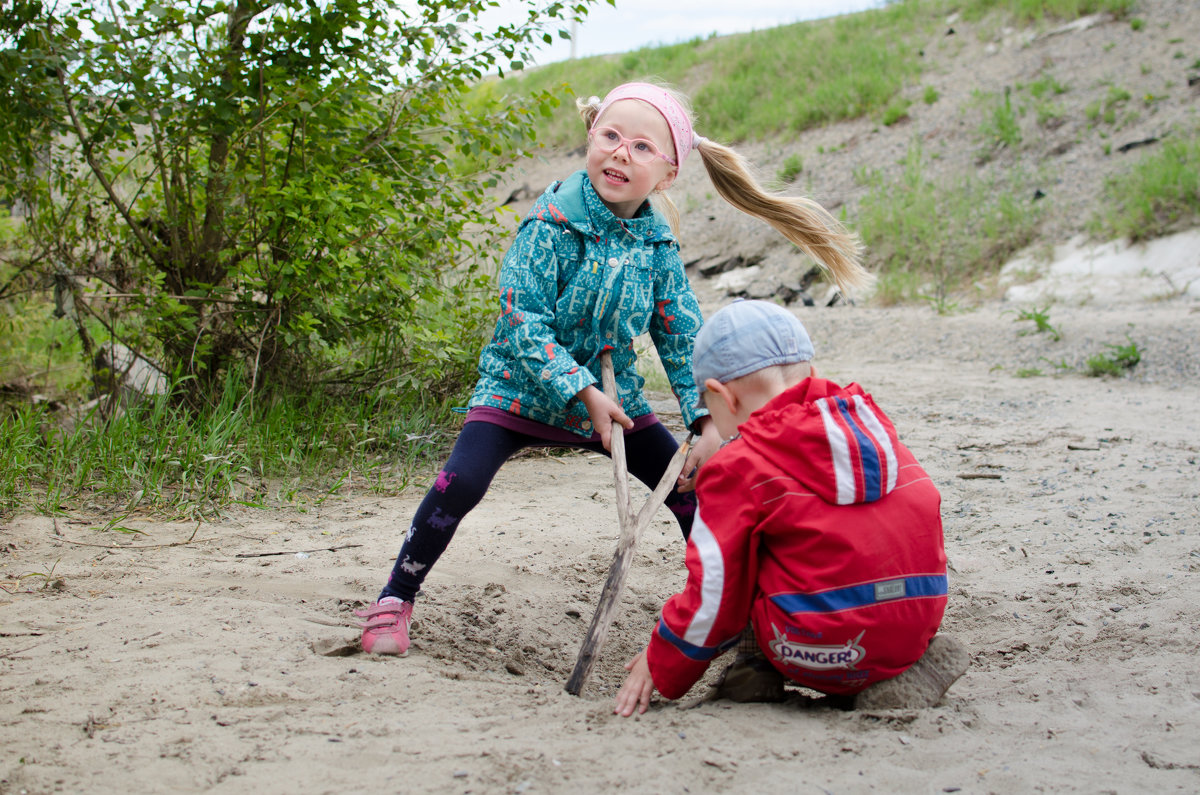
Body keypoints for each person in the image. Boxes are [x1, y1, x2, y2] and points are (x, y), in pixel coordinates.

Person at [358, 82, 873, 656]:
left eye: (642, 147)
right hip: (519, 392)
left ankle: (739, 613)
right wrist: (578, 389)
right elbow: (521, 319)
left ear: (669, 173)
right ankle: (396, 596)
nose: (622, 152)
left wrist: (704, 420)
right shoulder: (550, 224)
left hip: (615, 399)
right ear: (591, 139)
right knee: (461, 483)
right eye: (610, 136)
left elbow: (681, 337)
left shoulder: (657, 246)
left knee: (693, 494)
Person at [614, 300, 965, 715]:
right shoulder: (874, 431)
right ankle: (894, 674)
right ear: (811, 373)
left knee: (741, 557)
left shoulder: (737, 467)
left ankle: (754, 672)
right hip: (913, 624)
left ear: (725, 397)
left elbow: (714, 595)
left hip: (817, 649)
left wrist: (663, 658)